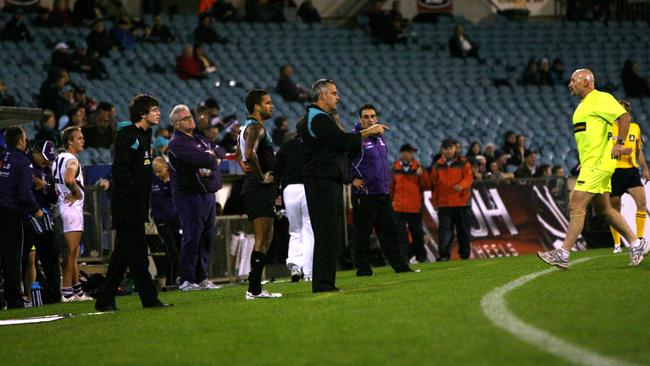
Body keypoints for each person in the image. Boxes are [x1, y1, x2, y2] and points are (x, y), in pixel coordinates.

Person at [538, 69, 649, 268]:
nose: (570, 84)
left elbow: (624, 118)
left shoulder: (600, 98)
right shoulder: (583, 105)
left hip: (598, 164)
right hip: (592, 163)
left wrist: (619, 143)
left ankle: (563, 253)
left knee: (576, 204)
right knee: (604, 209)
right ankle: (637, 243)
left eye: (574, 80)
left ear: (587, 82)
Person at [301, 79, 389, 292]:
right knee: (326, 235)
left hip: (324, 182)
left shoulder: (317, 118)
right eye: (333, 93)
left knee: (328, 235)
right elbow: (342, 141)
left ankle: (325, 283)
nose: (337, 97)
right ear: (322, 96)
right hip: (321, 183)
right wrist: (368, 131)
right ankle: (323, 284)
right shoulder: (319, 118)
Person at [95, 94, 171, 311]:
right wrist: (136, 194)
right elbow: (120, 170)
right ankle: (150, 299)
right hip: (127, 207)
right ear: (143, 114)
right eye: (154, 110)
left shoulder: (145, 135)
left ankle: (104, 300)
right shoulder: (129, 137)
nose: (158, 113)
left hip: (136, 206)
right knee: (138, 255)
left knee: (121, 256)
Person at [348, 104, 412, 275]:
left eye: (372, 116)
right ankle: (363, 269)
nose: (370, 120)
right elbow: (340, 160)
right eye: (366, 117)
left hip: (382, 193)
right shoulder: (355, 138)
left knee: (390, 232)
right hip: (364, 194)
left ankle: (401, 267)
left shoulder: (380, 139)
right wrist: (350, 179)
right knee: (363, 234)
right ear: (360, 120)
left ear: (376, 118)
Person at [168, 104, 225, 292]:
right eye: (185, 118)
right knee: (192, 237)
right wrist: (210, 156)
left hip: (207, 194)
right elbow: (203, 160)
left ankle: (201, 278)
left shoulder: (199, 139)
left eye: (190, 115)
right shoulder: (177, 143)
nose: (190, 119)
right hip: (189, 196)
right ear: (177, 123)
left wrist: (212, 154)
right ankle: (186, 279)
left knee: (206, 238)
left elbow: (220, 150)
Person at [235, 89, 282, 299]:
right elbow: (248, 153)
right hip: (258, 187)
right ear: (257, 106)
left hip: (255, 185)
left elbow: (239, 155)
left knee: (266, 237)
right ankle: (253, 289)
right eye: (268, 103)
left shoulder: (244, 127)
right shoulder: (255, 127)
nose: (271, 106)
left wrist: (248, 167)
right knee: (263, 238)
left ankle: (254, 288)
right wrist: (261, 176)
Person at [0, 127, 43, 309]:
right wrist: (36, 210)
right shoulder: (23, 161)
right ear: (20, 141)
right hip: (10, 213)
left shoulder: (2, 157)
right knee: (12, 258)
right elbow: (24, 193)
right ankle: (14, 300)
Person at [52, 126, 93, 302]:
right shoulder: (72, 160)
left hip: (62, 207)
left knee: (72, 253)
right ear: (70, 141)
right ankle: (67, 291)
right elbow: (69, 179)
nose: (83, 140)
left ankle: (77, 291)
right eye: (79, 138)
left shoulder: (58, 158)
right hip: (71, 208)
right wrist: (76, 192)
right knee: (71, 252)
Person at [275, 119, 313, 282]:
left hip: (289, 190)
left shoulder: (287, 146)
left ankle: (295, 266)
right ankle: (309, 272)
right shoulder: (313, 146)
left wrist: (276, 191)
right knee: (309, 230)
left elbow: (276, 169)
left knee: (295, 230)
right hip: (307, 188)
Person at [610, 100, 650, 254]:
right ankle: (617, 244)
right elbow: (605, 151)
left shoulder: (635, 128)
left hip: (632, 171)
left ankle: (639, 240)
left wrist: (645, 168)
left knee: (641, 202)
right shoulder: (610, 128)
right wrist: (619, 151)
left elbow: (638, 150)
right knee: (614, 210)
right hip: (615, 172)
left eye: (625, 111)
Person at [24, 140, 61, 304]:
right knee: (26, 258)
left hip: (44, 216)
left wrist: (50, 188)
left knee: (50, 256)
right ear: (35, 151)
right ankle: (27, 295)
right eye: (44, 157)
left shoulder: (47, 170)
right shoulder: (25, 164)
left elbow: (52, 197)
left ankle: (53, 294)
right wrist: (33, 181)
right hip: (27, 216)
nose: (46, 161)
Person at [430, 139, 473, 261]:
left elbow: (469, 178)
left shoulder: (464, 163)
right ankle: (444, 255)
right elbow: (434, 185)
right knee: (444, 232)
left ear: (455, 149)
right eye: (446, 148)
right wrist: (435, 201)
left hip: (461, 203)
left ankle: (464, 254)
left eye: (451, 148)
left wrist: (462, 185)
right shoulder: (437, 166)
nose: (449, 151)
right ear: (442, 150)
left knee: (462, 231)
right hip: (445, 203)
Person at [390, 143, 431, 263]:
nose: (411, 154)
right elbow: (391, 187)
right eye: (409, 152)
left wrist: (422, 175)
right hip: (398, 207)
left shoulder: (419, 169)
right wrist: (391, 202)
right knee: (401, 236)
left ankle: (421, 257)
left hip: (414, 207)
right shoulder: (394, 169)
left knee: (417, 234)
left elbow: (427, 186)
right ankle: (403, 259)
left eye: (412, 152)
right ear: (403, 153)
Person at [151, 157, 181, 286]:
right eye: (155, 172)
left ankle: (171, 280)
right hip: (160, 219)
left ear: (166, 167)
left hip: (175, 218)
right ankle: (177, 277)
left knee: (179, 247)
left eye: (159, 171)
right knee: (171, 248)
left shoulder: (175, 180)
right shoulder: (152, 181)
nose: (157, 174)